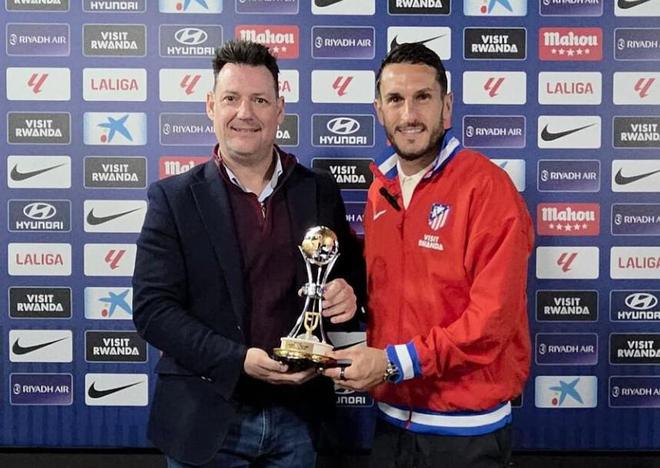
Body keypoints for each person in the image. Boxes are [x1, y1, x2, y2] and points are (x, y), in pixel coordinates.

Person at [132, 40, 364, 468]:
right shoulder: (173, 199)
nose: (245, 113)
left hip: (299, 419)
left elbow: (348, 278)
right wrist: (238, 360)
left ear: (280, 109)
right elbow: (152, 311)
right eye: (231, 99)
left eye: (259, 100)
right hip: (205, 420)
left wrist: (348, 297)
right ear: (211, 106)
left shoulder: (318, 191)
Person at [324, 42, 533, 468]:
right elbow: (392, 295)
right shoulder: (380, 190)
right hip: (391, 426)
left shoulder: (487, 188)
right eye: (395, 100)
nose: (409, 115)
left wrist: (393, 362)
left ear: (446, 107)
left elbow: (491, 322)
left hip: (465, 433)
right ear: (379, 110)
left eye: (422, 97)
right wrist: (351, 297)